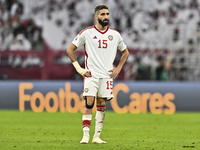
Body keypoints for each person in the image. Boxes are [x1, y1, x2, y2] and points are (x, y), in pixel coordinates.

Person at [67, 4, 129, 144]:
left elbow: (126, 52)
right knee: (89, 102)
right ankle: (85, 136)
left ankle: (97, 136)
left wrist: (118, 68)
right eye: (102, 14)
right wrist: (79, 68)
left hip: (107, 75)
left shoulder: (115, 34)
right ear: (96, 17)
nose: (105, 17)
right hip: (91, 74)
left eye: (107, 14)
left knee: (102, 103)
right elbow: (70, 49)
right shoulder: (87, 33)